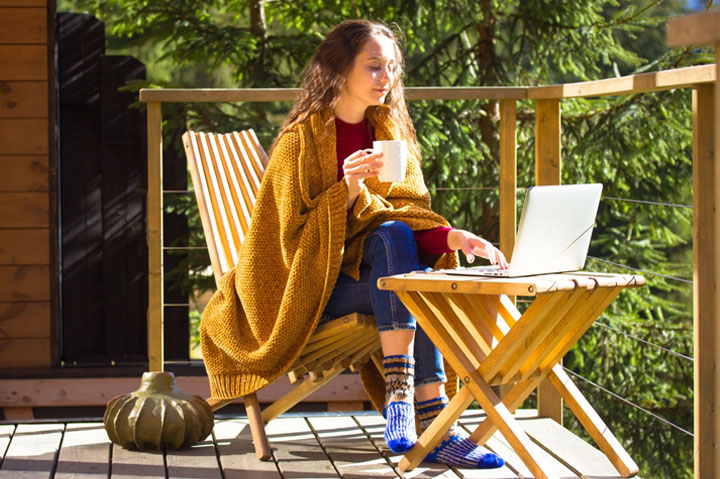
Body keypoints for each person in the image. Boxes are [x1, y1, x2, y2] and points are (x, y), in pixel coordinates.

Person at [200, 19, 508, 469]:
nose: (388, 78)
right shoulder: (299, 143)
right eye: (374, 67)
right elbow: (282, 245)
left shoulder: (389, 134)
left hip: (376, 282)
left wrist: (455, 237)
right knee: (411, 278)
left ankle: (407, 399)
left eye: (392, 68)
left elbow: (405, 213)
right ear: (340, 70)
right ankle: (435, 421)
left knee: (397, 242)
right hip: (305, 294)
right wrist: (346, 190)